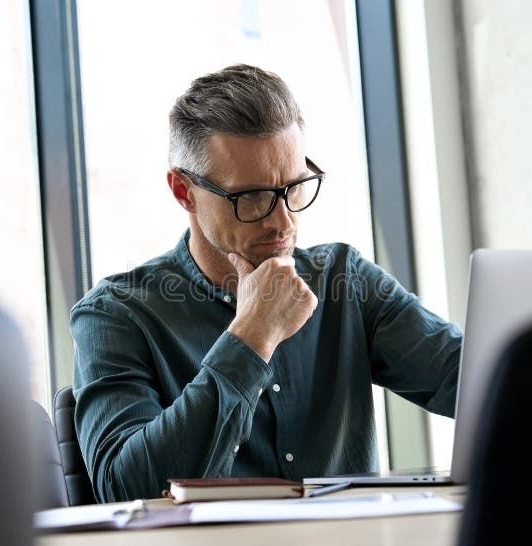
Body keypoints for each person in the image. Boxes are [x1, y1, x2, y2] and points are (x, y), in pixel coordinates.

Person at [71, 64, 462, 502]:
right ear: (184, 192)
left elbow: (468, 381)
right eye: (251, 197)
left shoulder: (344, 279)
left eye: (294, 187)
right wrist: (252, 337)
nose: (283, 221)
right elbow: (124, 489)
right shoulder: (115, 314)